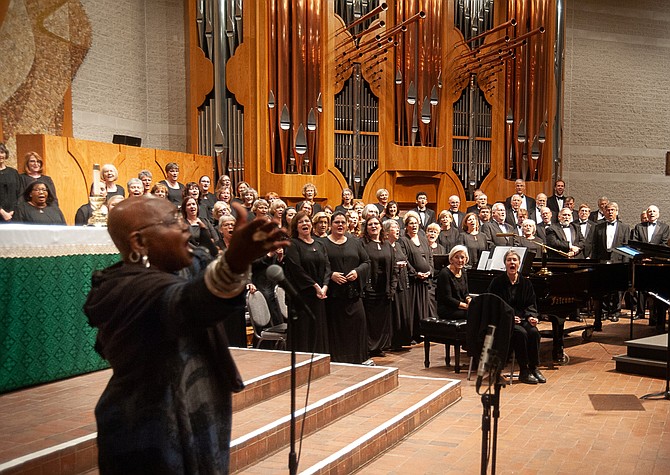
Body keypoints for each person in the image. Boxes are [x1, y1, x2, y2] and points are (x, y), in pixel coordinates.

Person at [84, 197, 286, 474]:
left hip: (198, 415)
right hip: (146, 430)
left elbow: (210, 285)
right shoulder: (124, 289)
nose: (186, 229)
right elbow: (190, 302)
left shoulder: (185, 266)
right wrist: (235, 261)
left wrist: (237, 258)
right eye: (173, 221)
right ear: (139, 242)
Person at [487, 249, 546, 385]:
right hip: (504, 322)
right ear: (505, 264)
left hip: (523, 319)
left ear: (519, 264)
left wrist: (531, 316)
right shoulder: (497, 283)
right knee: (521, 333)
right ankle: (524, 371)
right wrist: (509, 317)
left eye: (514, 260)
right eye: (509, 260)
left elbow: (531, 304)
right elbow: (493, 305)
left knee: (534, 332)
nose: (512, 263)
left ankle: (534, 368)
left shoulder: (526, 283)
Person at [324, 211, 371, 364]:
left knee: (358, 323)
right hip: (333, 296)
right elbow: (318, 266)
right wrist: (330, 275)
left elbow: (366, 262)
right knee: (336, 329)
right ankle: (337, 359)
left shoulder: (355, 242)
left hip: (353, 294)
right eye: (337, 222)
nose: (340, 225)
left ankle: (358, 358)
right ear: (331, 225)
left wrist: (357, 272)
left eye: (343, 222)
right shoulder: (323, 244)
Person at [284, 210, 331, 353]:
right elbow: (297, 270)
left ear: (311, 224)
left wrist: (325, 286)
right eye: (301, 222)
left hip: (319, 295)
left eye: (307, 221)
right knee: (304, 330)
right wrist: (315, 286)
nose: (305, 224)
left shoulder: (320, 244)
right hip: (302, 295)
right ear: (295, 226)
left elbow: (327, 267)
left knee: (318, 328)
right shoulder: (292, 244)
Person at [360, 216, 396, 358]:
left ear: (381, 227)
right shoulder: (362, 244)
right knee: (369, 320)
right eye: (370, 225)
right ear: (366, 228)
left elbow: (393, 268)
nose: (373, 226)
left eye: (376, 224)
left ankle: (378, 347)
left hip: (384, 289)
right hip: (369, 289)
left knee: (382, 320)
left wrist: (392, 288)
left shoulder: (387, 245)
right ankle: (368, 347)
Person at [590, 201, 629, 326]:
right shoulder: (598, 227)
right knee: (604, 288)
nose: (610, 212)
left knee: (617, 289)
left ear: (617, 212)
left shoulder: (625, 227)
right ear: (604, 212)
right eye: (608, 210)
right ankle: (604, 311)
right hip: (602, 262)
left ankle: (615, 312)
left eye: (613, 210)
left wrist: (625, 264)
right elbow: (595, 246)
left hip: (618, 262)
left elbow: (626, 247)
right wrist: (595, 263)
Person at [402, 211, 433, 342]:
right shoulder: (403, 240)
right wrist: (415, 273)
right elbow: (405, 259)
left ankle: (423, 332)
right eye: (411, 224)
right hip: (414, 281)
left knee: (424, 307)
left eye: (416, 223)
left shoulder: (423, 239)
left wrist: (430, 271)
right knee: (414, 308)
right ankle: (414, 334)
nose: (414, 226)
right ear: (406, 226)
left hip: (425, 280)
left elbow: (430, 257)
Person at [383, 219, 412, 350]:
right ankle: (392, 342)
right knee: (393, 312)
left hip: (402, 282)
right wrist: (396, 265)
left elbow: (405, 259)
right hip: (393, 284)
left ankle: (402, 339)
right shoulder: (385, 246)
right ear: (387, 231)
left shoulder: (398, 245)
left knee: (402, 310)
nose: (398, 230)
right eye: (395, 228)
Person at [436, 245, 471, 320]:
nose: (460, 260)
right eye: (456, 257)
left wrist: (469, 300)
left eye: (462, 257)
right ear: (451, 259)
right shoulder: (444, 273)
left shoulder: (463, 271)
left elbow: (466, 293)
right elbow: (447, 298)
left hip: (461, 307)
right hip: (448, 309)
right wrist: (466, 306)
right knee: (474, 313)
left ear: (466, 259)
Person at [0, 143, 22, 222]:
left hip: (14, 214)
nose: (0, 155)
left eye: (2, 152)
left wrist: (12, 211)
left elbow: (20, 192)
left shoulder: (13, 172)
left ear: (6, 154)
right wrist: (2, 212)